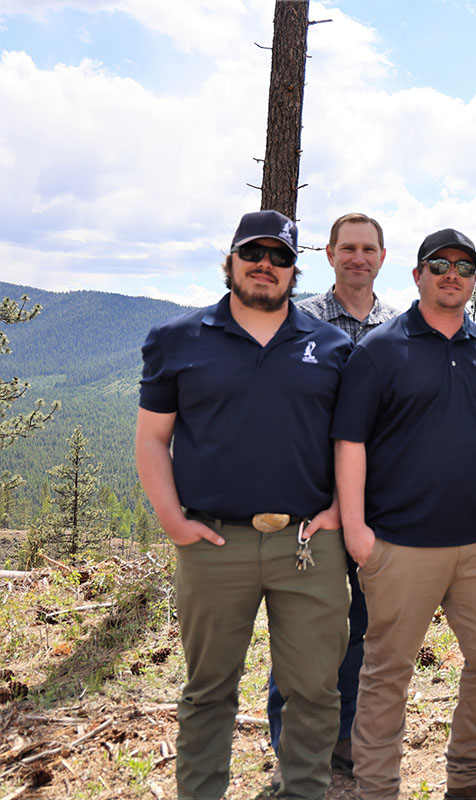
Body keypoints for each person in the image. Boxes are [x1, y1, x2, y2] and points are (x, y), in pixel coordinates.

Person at [135, 210, 353, 800]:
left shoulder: (333, 346)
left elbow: (351, 441)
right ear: (230, 261)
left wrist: (339, 511)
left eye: (280, 257)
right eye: (253, 253)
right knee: (208, 690)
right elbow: (153, 438)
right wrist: (172, 520)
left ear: (293, 271)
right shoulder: (177, 340)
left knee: (315, 690)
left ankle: (303, 791)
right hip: (213, 543)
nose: (265, 265)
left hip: (309, 546)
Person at [333, 228, 476, 800]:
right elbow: (350, 442)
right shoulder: (379, 351)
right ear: (417, 275)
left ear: (474, 280)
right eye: (439, 264)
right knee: (386, 673)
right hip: (400, 544)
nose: (452, 275)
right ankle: (377, 789)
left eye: (464, 267)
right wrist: (356, 531)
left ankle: (468, 778)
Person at [267, 212, 400, 776]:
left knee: (364, 628)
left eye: (368, 249)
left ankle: (345, 737)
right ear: (328, 254)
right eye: (348, 248)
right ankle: (293, 746)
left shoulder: (401, 327)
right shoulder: (298, 322)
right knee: (304, 629)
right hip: (311, 502)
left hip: (380, 505)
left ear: (383, 257)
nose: (358, 258)